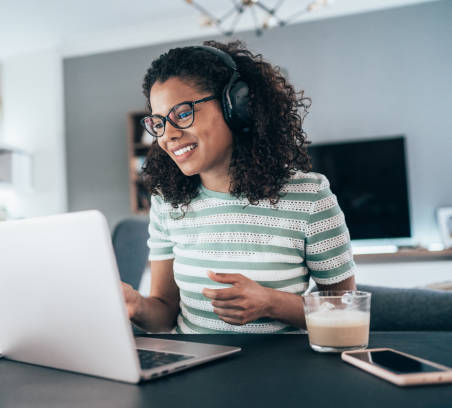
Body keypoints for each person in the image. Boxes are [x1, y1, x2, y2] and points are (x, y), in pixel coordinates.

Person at [122, 40, 357, 334]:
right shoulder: (167, 203)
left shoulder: (309, 198)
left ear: (237, 107)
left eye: (182, 114)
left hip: (279, 372)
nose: (167, 135)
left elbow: (347, 312)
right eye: (158, 123)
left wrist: (271, 303)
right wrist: (137, 305)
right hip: (194, 371)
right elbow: (164, 315)